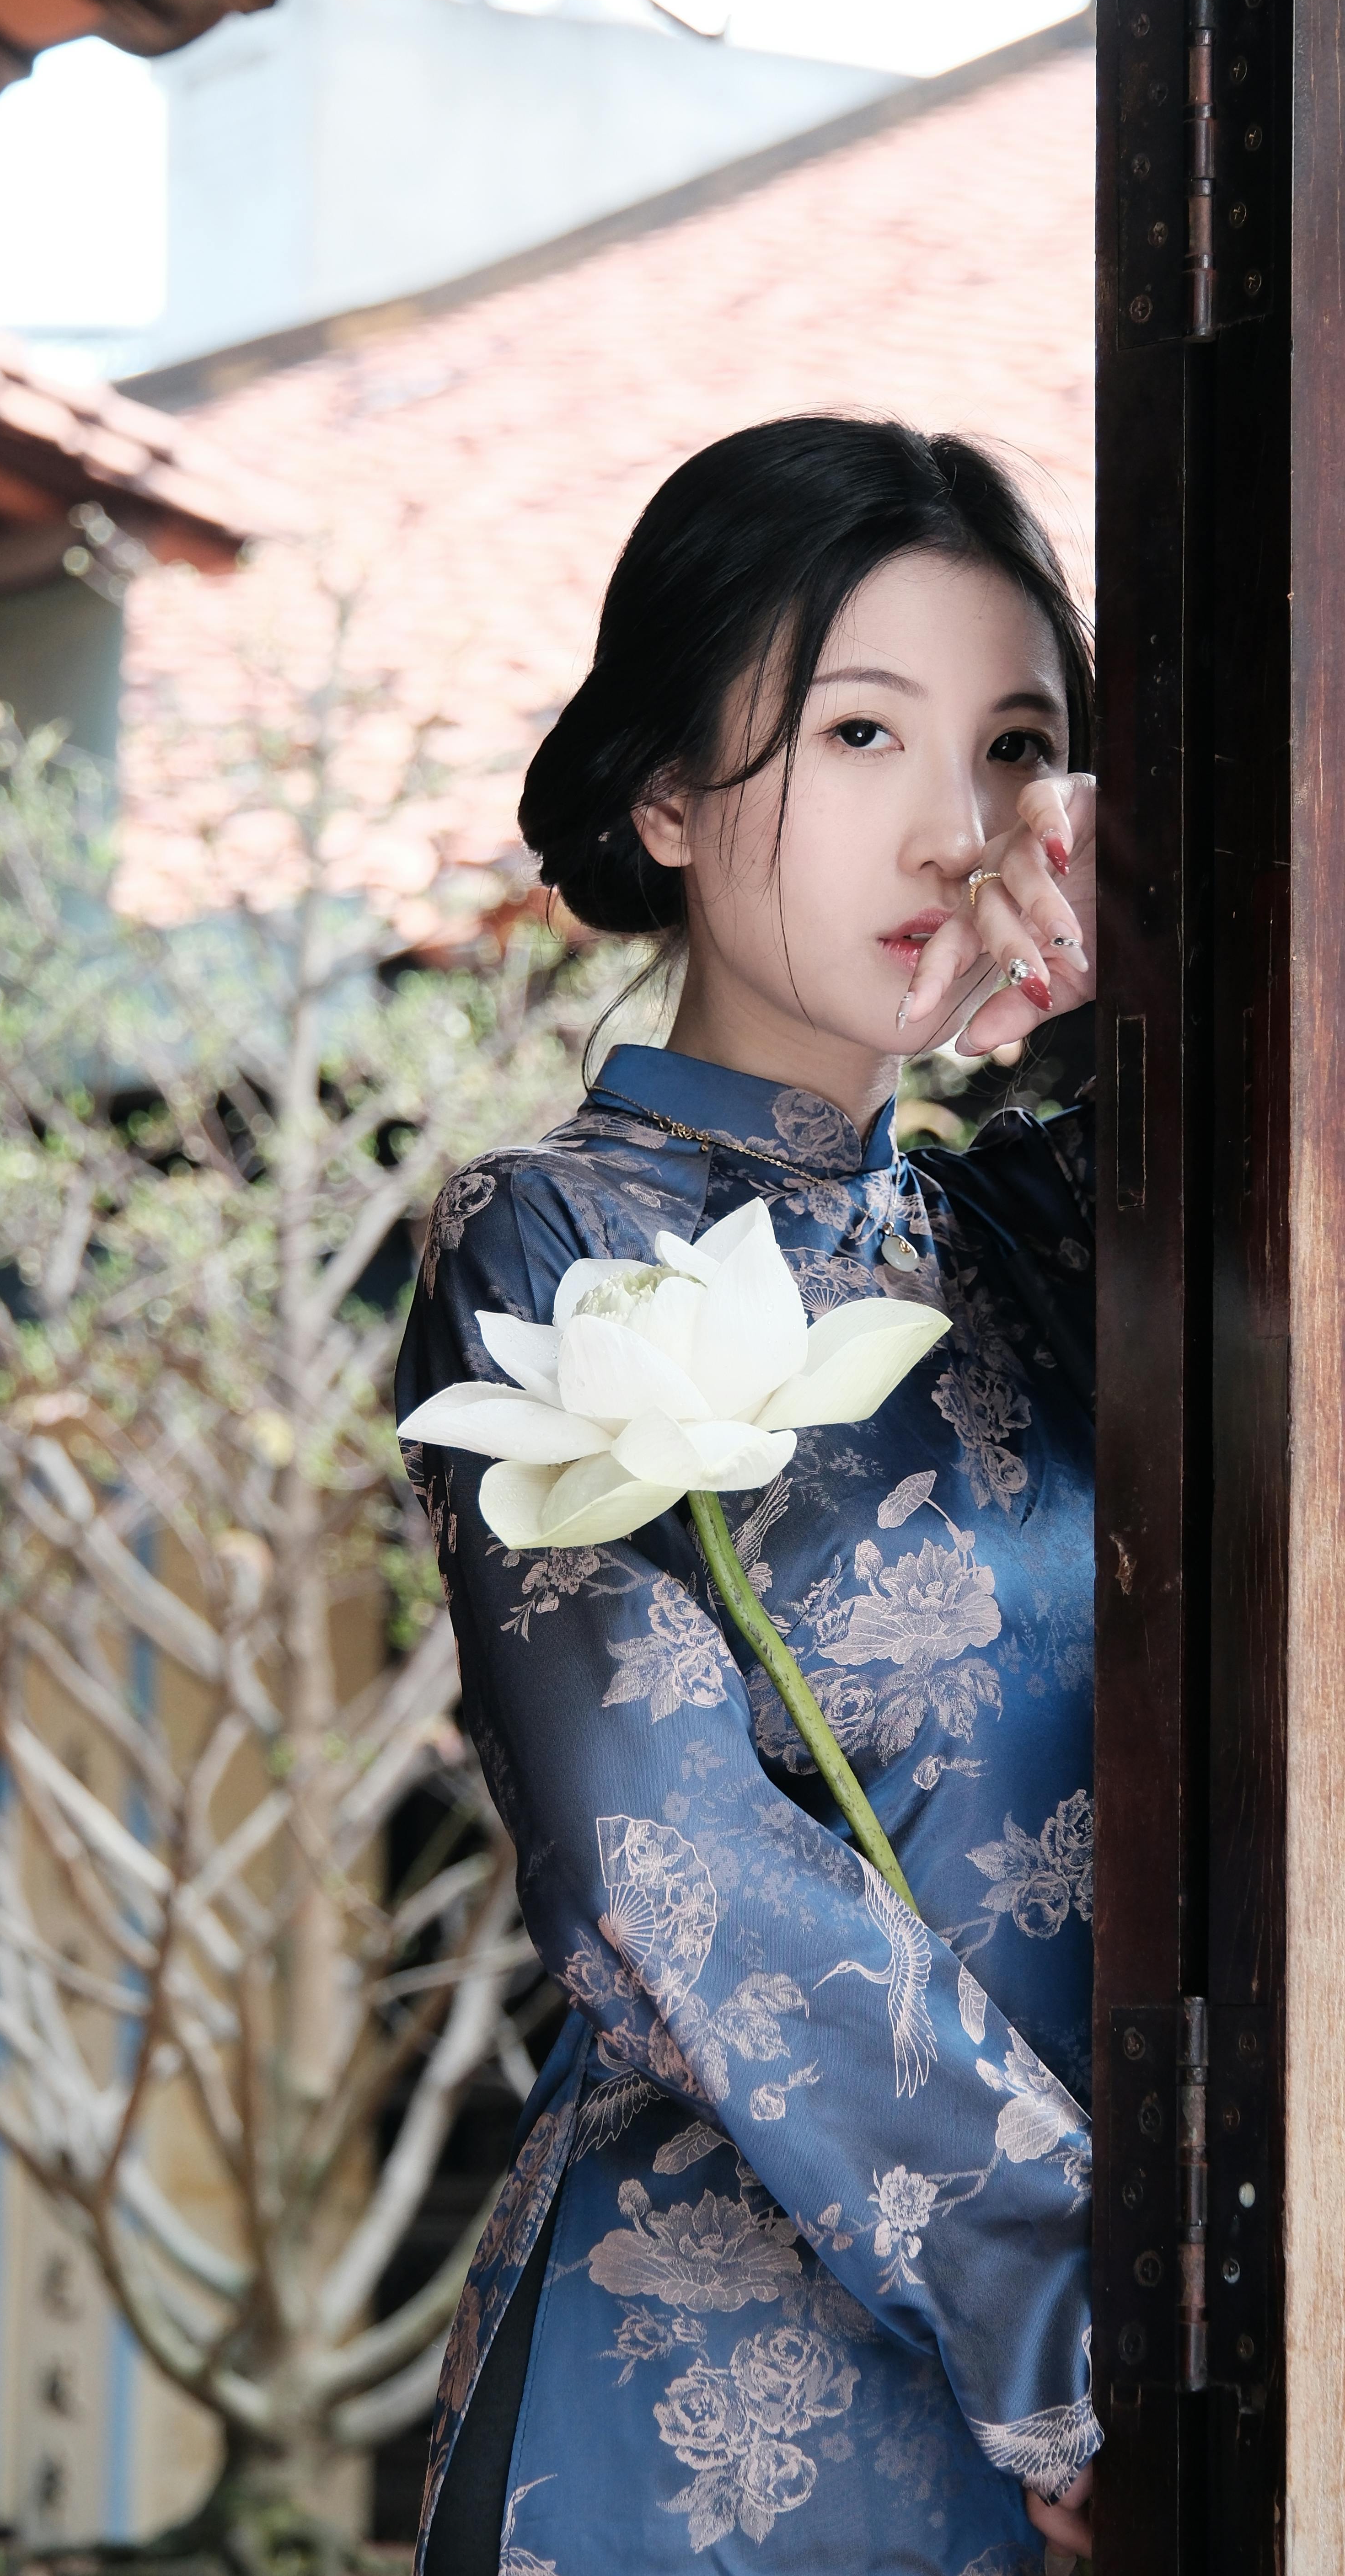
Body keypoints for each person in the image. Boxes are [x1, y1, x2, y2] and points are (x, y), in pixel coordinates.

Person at [397, 417, 1099, 2575]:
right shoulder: (553, 1239)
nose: (953, 829)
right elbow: (657, 1857)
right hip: (712, 2414)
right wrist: (1075, 2341)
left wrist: (1114, 1018)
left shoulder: (1048, 1234)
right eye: (860, 732)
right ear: (666, 797)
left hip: (1131, 2396)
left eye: (1013, 748)